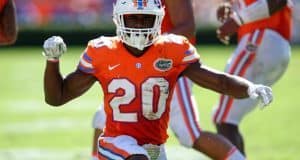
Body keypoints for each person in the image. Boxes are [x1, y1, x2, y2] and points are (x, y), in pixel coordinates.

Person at [42, 0, 273, 159]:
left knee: (156, 149)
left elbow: (218, 81)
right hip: (117, 143)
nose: (140, 26)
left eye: (147, 19)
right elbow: (57, 97)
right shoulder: (103, 51)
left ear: (159, 21)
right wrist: (52, 62)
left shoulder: (172, 49)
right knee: (127, 145)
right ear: (118, 19)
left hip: (153, 146)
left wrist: (250, 88)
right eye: (133, 19)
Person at [90, 0, 244, 159]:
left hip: (168, 65)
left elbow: (187, 26)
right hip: (137, 63)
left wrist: (150, 46)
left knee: (190, 133)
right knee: (104, 118)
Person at [214, 0, 293, 155]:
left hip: (261, 37)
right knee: (227, 119)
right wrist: (231, 7)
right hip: (273, 42)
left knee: (224, 119)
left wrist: (238, 20)